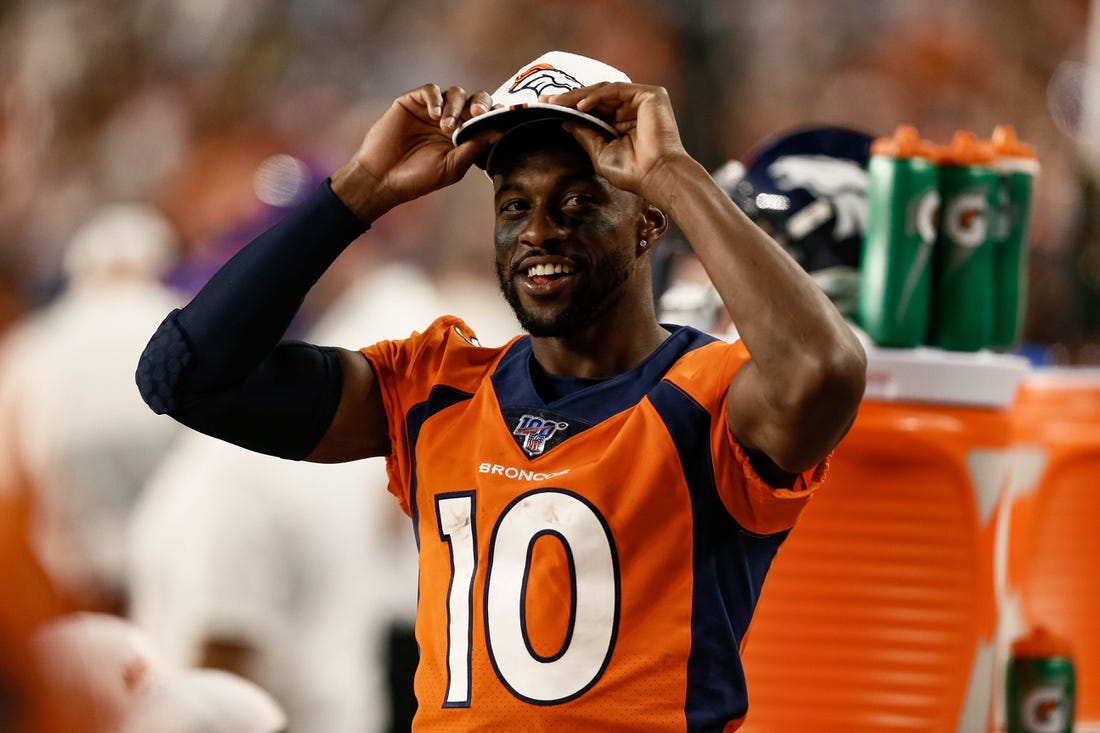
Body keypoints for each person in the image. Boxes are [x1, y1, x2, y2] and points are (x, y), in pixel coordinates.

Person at [135, 51, 866, 731]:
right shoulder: (435, 385)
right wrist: (358, 192)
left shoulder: (708, 398)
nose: (538, 231)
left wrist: (674, 170)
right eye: (514, 205)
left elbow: (824, 372)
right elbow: (184, 376)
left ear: (648, 223)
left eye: (578, 202)